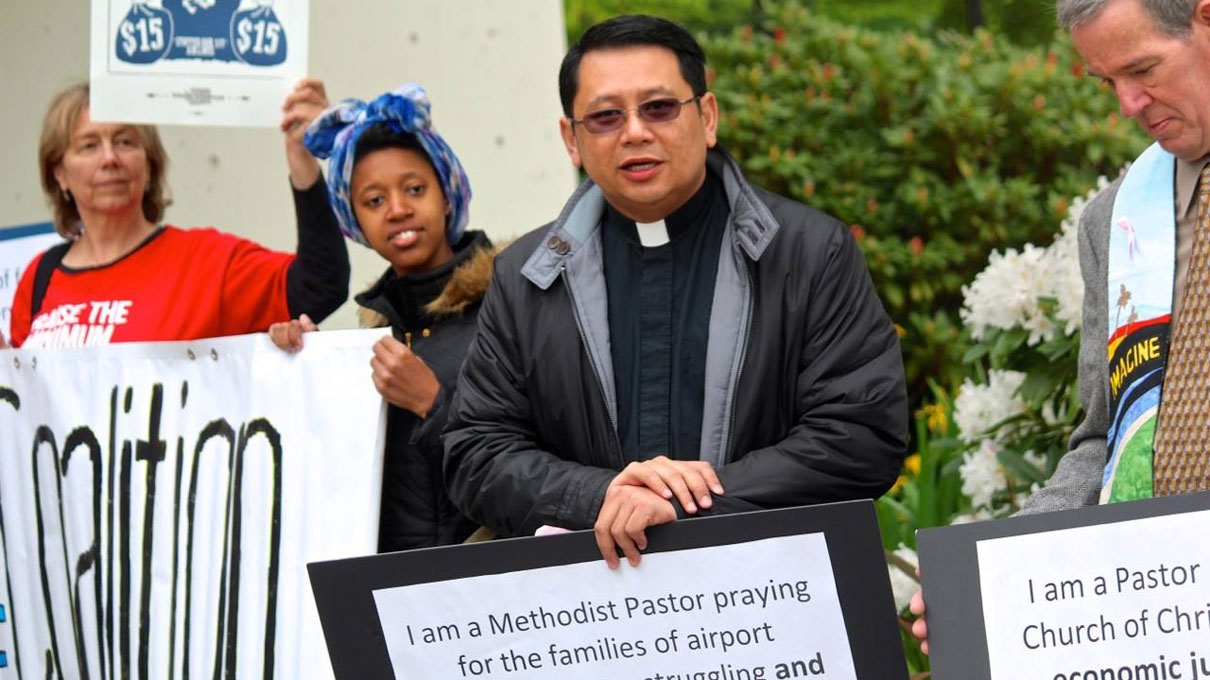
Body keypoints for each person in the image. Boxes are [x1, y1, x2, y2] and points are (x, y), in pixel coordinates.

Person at [443, 15, 909, 569]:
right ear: (572, 139)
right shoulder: (527, 276)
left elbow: (859, 435)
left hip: (770, 589)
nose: (635, 132)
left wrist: (683, 504)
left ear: (707, 117)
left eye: (659, 108)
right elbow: (476, 451)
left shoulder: (809, 253)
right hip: (591, 610)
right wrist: (600, 497)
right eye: (606, 116)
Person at [911, 0, 1210, 650]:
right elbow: (1102, 437)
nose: (1128, 104)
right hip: (1161, 614)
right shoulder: (1117, 220)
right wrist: (996, 576)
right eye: (1108, 82)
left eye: (1142, 69)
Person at [269, 82, 491, 550]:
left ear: (447, 194)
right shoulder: (373, 335)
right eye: (373, 201)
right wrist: (304, 364)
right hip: (392, 595)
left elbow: (533, 461)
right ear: (355, 223)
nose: (397, 210)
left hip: (484, 597)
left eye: (414, 189)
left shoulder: (509, 304)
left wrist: (433, 403)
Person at [6, 81, 349, 349]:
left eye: (125, 141)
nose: (110, 159)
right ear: (59, 174)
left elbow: (320, 285)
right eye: (89, 145)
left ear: (149, 163)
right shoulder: (39, 277)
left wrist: (302, 159)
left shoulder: (205, 262)